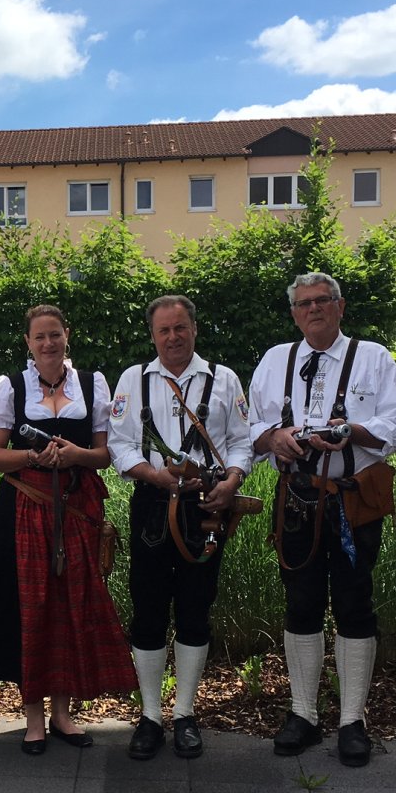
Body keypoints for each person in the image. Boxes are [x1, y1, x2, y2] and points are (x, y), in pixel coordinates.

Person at [248, 272, 396, 767]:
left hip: (352, 502)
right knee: (301, 603)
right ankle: (303, 714)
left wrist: (352, 430)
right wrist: (273, 438)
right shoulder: (276, 359)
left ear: (340, 308)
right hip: (296, 498)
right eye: (304, 304)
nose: (313, 309)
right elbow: (249, 425)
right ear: (294, 313)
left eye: (323, 301)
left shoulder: (374, 358)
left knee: (355, 602)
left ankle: (352, 720)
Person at [0, 305, 132, 753]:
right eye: (39, 337)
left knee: (68, 605)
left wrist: (74, 455)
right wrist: (33, 457)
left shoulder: (92, 384)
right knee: (31, 607)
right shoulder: (11, 385)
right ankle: (32, 718)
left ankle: (62, 714)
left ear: (68, 337)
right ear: (28, 342)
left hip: (77, 507)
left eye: (55, 335)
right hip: (25, 507)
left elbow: (105, 455)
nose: (48, 343)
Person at [108, 295, 253, 759]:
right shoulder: (133, 380)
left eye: (180, 328)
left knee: (195, 608)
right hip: (152, 504)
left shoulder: (224, 379)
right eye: (164, 330)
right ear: (153, 335)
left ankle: (186, 714)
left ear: (194, 328)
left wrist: (232, 480)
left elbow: (241, 442)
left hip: (207, 506)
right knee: (148, 610)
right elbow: (120, 445)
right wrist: (154, 475)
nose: (173, 337)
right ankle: (150, 716)